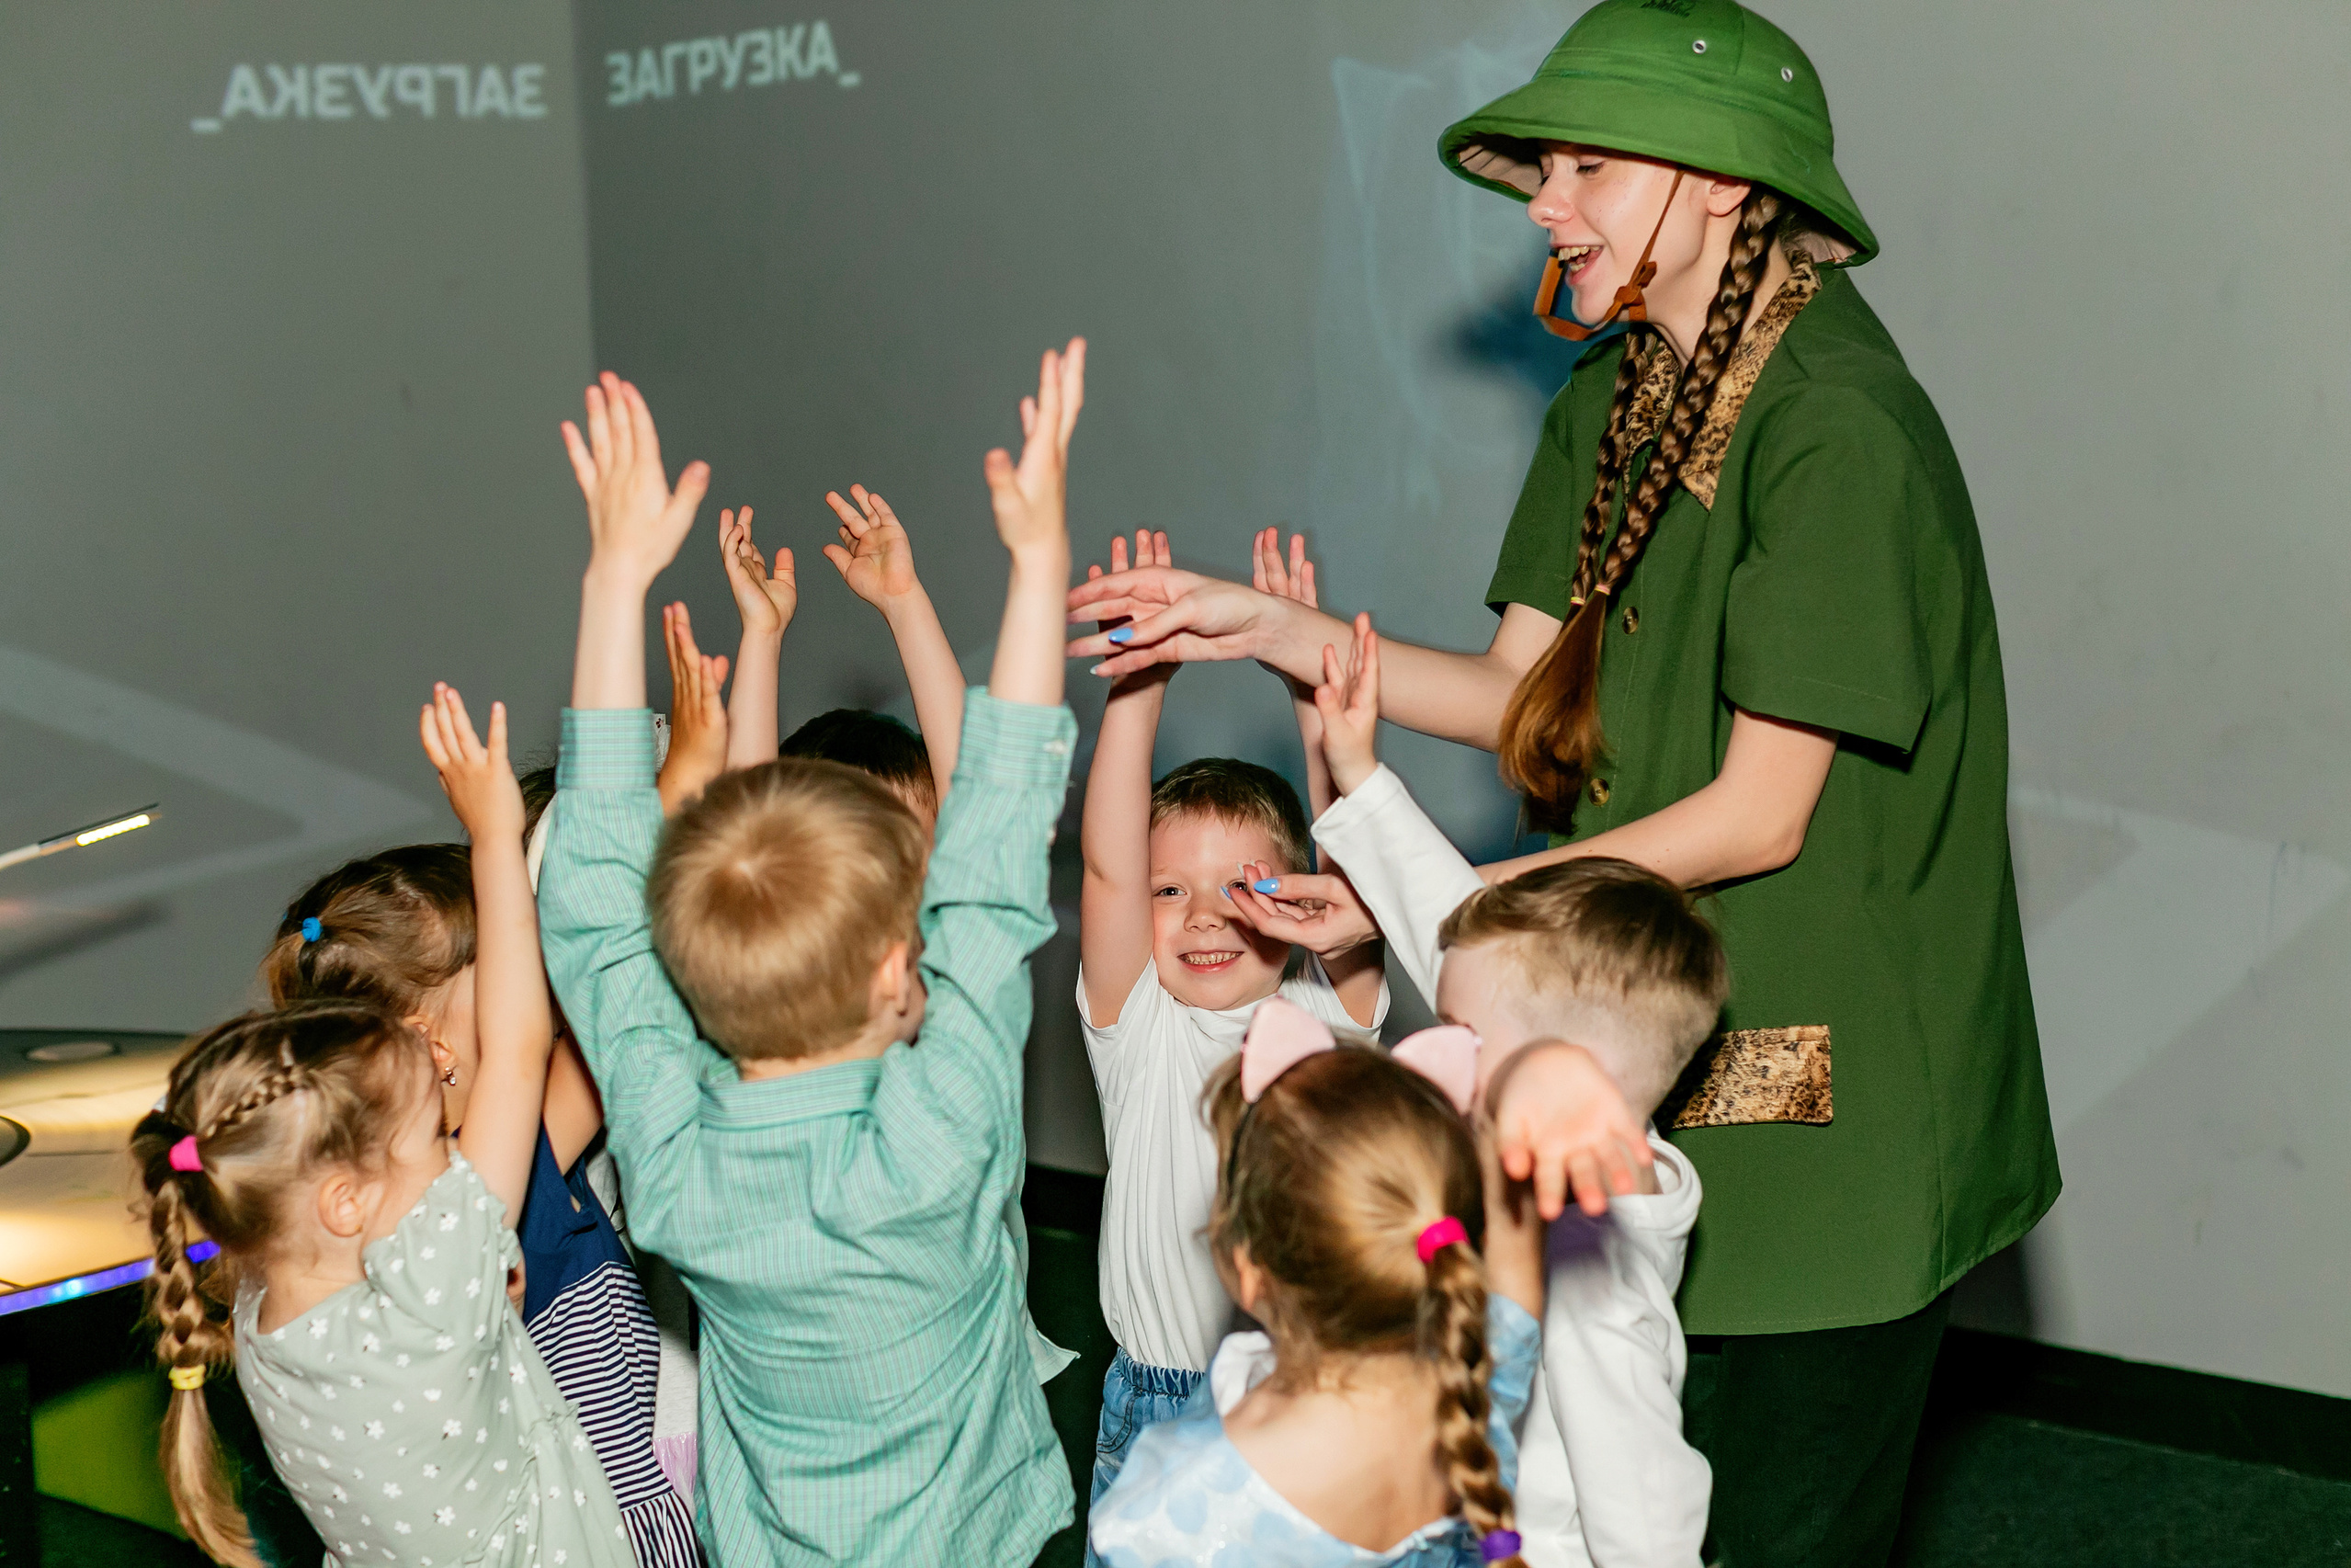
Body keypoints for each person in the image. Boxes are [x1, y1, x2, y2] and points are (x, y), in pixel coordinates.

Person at [1065, 4, 2061, 1561]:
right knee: (1599, 1485)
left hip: (1829, 1117)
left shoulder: (1836, 434)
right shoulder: (1606, 405)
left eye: (1584, 166)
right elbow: (1528, 701)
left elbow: (1758, 812)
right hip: (1615, 1041)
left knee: (1778, 1522)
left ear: (1722, 187)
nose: (1540, 201)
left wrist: (1456, 907)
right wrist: (1275, 629)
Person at [537, 348, 1086, 1565]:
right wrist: (1039, 562)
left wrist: (614, 572)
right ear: (900, 974)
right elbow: (994, 855)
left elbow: (585, 906)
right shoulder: (942, 1139)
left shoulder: (671, 1164)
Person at [1298, 615, 1721, 1566]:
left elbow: (1645, 1498)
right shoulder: (1543, 1124)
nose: (1437, 1055)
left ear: (1569, 1071)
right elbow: (1444, 927)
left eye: (1461, 1040)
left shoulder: (1590, 1258)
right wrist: (1361, 776)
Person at [264, 687, 696, 1565]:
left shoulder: (331, 1229)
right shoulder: (477, 1204)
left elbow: (628, 1004)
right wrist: (501, 839)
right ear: (434, 1046)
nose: (536, 976)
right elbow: (618, 1007)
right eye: (513, 963)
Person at [1074, 527, 1385, 1534]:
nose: (1201, 914)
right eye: (1172, 890)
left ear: (1294, 894)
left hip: (1308, 1404)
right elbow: (1109, 868)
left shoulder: (1327, 1014)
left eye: (1236, 884)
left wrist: (1308, 697)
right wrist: (1141, 681)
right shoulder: (1141, 1023)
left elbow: (1355, 870)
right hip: (1157, 1405)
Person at [135, 970, 628, 1568]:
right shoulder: (424, 1310)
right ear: (345, 1205)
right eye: (432, 1138)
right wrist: (498, 869)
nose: (455, 1152)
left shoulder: (261, 1308)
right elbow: (519, 1050)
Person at [1088, 1001, 1544, 1566]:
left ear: (1249, 1272)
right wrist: (1546, 1066)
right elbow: (1517, 1255)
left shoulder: (1164, 1514)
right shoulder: (1475, 1391)